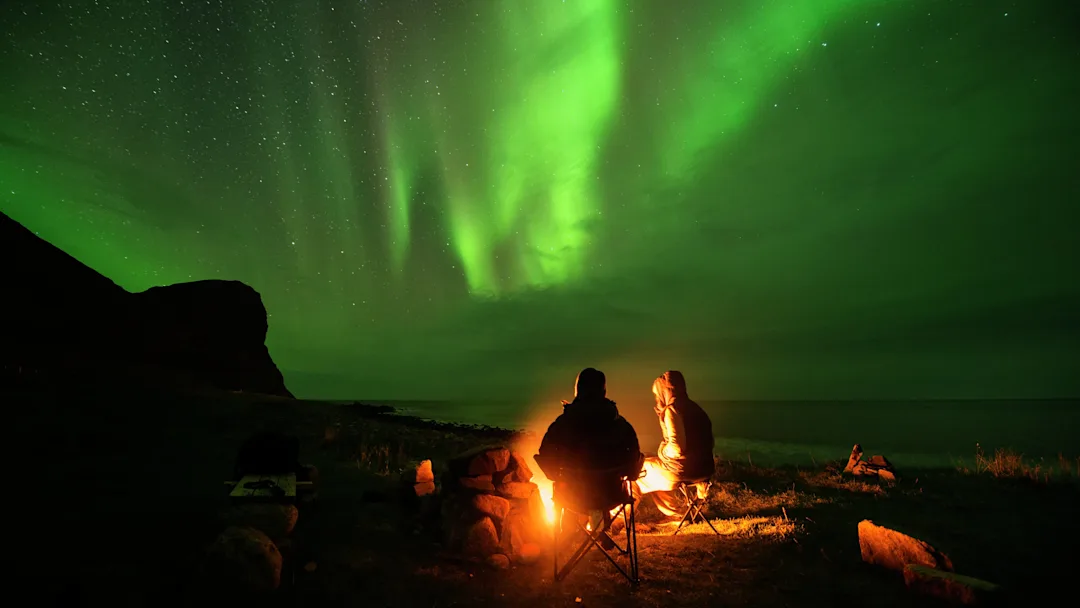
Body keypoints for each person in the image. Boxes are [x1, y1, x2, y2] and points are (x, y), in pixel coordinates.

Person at [536, 368, 642, 534]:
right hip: (612, 495)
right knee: (599, 479)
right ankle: (601, 530)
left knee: (569, 482)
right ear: (604, 392)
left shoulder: (562, 424)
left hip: (572, 496)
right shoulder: (621, 425)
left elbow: (545, 455)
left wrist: (559, 472)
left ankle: (567, 534)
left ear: (577, 391)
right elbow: (634, 458)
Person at [632, 370, 715, 517]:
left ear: (665, 391)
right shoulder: (696, 409)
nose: (657, 399)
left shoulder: (673, 410)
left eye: (657, 394)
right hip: (704, 469)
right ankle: (676, 515)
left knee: (636, 473)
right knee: (651, 464)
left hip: (682, 471)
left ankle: (619, 521)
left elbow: (677, 448)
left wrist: (663, 451)